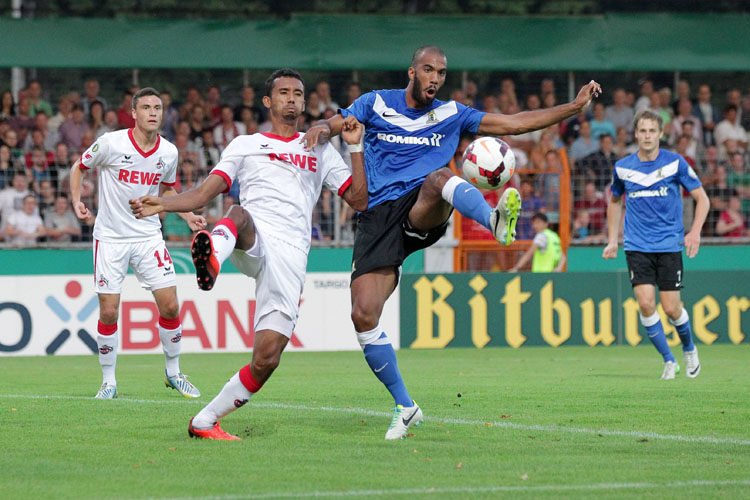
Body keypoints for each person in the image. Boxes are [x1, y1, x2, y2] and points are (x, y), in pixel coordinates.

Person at [303, 45, 601, 439]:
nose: (435, 78)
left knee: (440, 178)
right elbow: (339, 122)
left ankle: (494, 220)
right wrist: (322, 128)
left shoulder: (452, 114)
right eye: (428, 70)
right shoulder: (376, 103)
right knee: (363, 314)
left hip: (422, 208)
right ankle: (405, 407)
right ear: (412, 71)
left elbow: (513, 123)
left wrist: (572, 108)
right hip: (377, 218)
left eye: (441, 73)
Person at [129, 69, 368, 441]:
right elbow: (205, 194)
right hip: (249, 237)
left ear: (305, 104)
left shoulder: (321, 150)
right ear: (268, 102)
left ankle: (205, 421)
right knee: (238, 211)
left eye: (298, 94)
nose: (291, 98)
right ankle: (212, 257)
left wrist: (354, 147)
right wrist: (163, 203)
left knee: (266, 359)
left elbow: (359, 199)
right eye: (283, 93)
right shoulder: (245, 144)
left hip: (290, 259)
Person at [70, 87, 205, 400]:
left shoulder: (168, 152)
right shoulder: (110, 143)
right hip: (111, 238)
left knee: (170, 305)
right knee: (109, 311)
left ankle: (174, 373)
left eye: (157, 107)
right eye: (146, 107)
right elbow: (79, 167)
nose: (153, 113)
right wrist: (77, 201)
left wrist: (187, 216)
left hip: (148, 237)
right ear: (133, 113)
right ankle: (108, 382)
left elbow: (168, 191)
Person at [602, 110, 709, 380]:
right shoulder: (623, 167)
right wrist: (612, 240)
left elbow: (703, 199)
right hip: (637, 245)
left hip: (669, 244)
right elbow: (615, 202)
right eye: (643, 131)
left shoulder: (676, 163)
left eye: (652, 131)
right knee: (646, 304)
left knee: (671, 308)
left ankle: (689, 348)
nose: (647, 136)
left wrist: (694, 232)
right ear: (635, 134)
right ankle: (668, 359)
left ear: (661, 134)